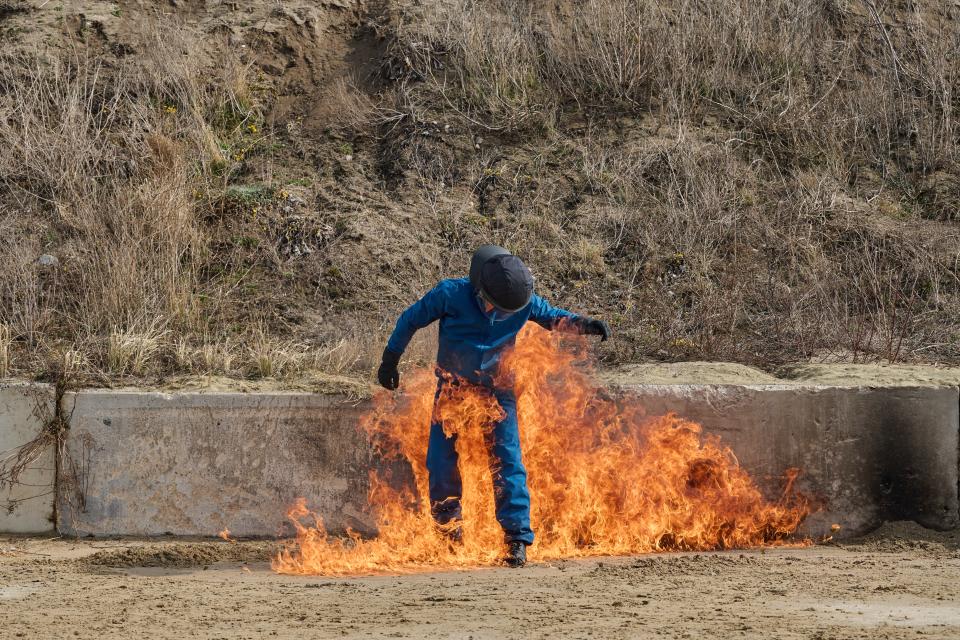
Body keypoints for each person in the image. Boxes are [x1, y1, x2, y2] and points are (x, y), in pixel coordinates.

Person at [376, 245, 610, 567]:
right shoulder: (450, 293)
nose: (494, 312)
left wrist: (585, 324)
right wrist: (390, 360)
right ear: (478, 288)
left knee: (507, 459)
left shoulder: (523, 303)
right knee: (441, 459)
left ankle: (516, 539)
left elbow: (555, 318)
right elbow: (410, 320)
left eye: (503, 309)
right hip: (453, 389)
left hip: (498, 390)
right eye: (490, 304)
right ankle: (448, 531)